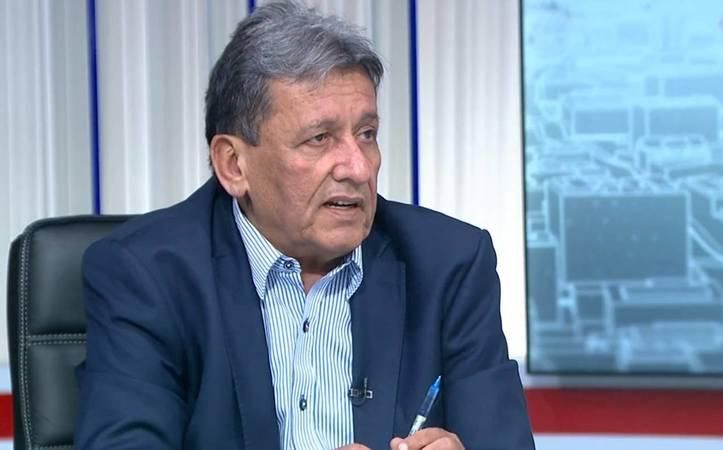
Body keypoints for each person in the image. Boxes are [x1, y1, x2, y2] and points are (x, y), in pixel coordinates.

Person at [75, 2, 534, 449]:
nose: (358, 167)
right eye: (319, 139)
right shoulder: (147, 274)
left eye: (367, 134)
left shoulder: (449, 265)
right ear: (233, 164)